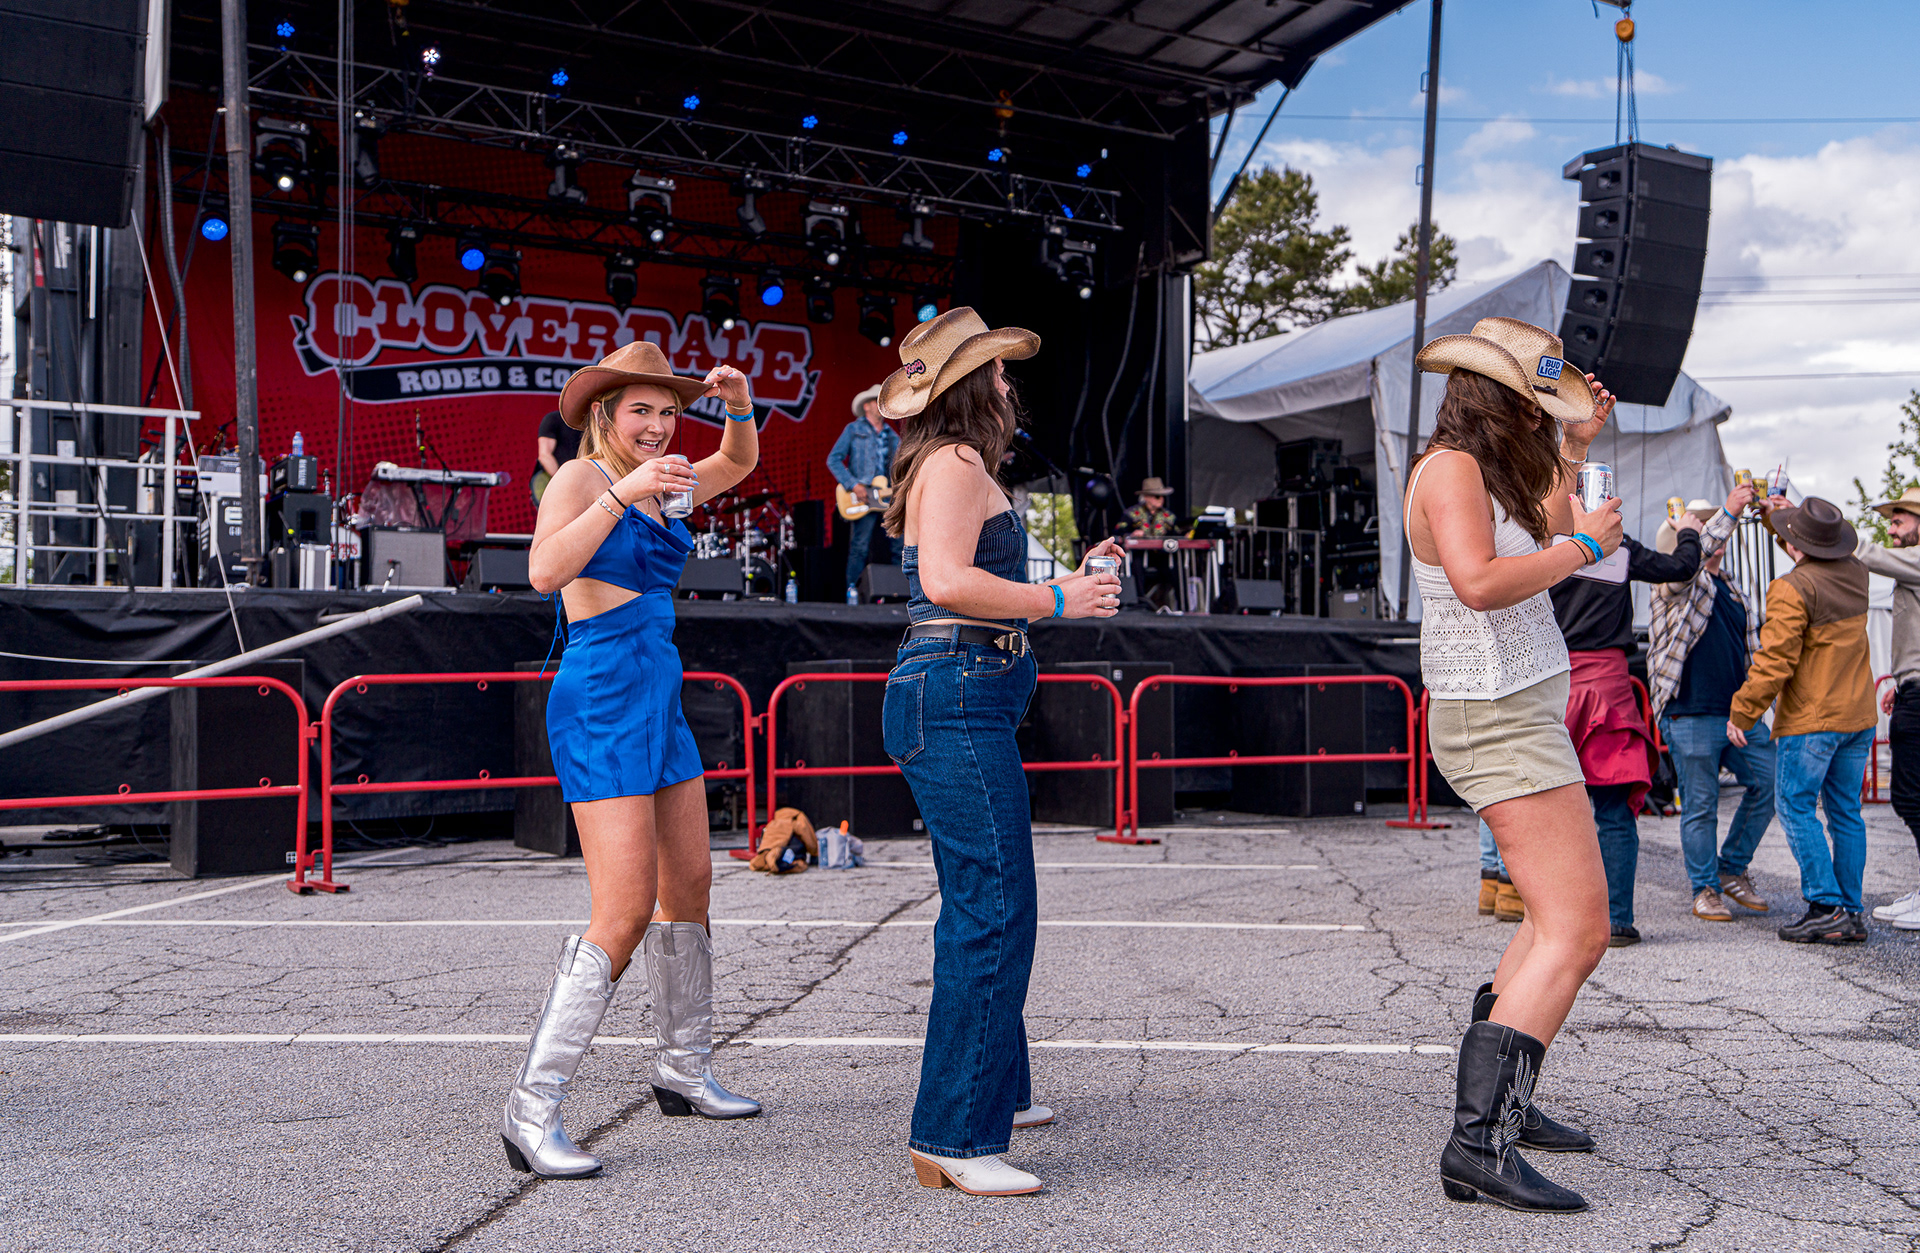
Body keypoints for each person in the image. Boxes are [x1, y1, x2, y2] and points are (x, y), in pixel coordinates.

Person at [875, 307, 1122, 1197]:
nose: (1011, 386)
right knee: (995, 908)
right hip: (957, 693)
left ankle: (997, 1093)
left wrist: (1067, 579)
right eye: (1000, 373)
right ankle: (953, 1134)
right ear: (976, 387)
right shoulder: (956, 459)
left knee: (983, 901)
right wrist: (1060, 599)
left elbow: (975, 576)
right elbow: (947, 583)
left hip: (955, 692)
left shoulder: (949, 465)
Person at [502, 341, 762, 1179]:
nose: (657, 425)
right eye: (640, 410)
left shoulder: (672, 475)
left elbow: (738, 460)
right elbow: (543, 571)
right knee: (621, 910)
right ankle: (530, 1112)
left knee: (690, 882)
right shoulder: (584, 479)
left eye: (667, 410)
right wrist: (623, 491)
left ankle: (684, 1070)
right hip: (602, 695)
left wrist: (740, 404)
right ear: (604, 415)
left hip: (659, 693)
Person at [1403, 317, 1621, 1214]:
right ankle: (1479, 1142)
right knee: (1579, 927)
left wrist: (1575, 446)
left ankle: (1504, 1113)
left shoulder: (1478, 466)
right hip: (1495, 716)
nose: (1544, 414)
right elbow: (1481, 580)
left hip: (1514, 707)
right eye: (1539, 402)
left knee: (1549, 917)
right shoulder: (1451, 468)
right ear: (1501, 397)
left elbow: (1554, 526)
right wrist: (1585, 549)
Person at [1546, 499, 1709, 947]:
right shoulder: (1621, 548)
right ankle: (1617, 918)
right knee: (1614, 812)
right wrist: (1689, 530)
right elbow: (1681, 566)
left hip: (1550, 686)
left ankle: (1553, 921)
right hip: (1609, 689)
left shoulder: (1546, 546)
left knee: (1550, 813)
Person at [1730, 496, 1875, 944]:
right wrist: (1783, 521)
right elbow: (1816, 548)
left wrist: (1744, 710)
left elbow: (1775, 661)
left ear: (1796, 546)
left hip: (1814, 720)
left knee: (1795, 806)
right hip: (1858, 716)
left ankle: (1825, 906)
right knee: (1846, 814)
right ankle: (1849, 909)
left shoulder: (1792, 588)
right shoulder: (1857, 575)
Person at [1648, 491, 1773, 925]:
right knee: (1701, 805)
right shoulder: (1675, 581)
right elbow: (1691, 563)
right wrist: (1732, 510)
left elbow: (1754, 654)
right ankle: (1705, 888)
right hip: (1690, 712)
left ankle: (1731, 868)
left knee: (1771, 781)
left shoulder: (1735, 589)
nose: (1709, 530)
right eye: (1698, 525)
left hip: (1738, 714)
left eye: (1711, 523)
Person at [1861, 486, 1920, 928]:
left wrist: (1818, 527)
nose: (1892, 529)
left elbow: (1871, 555)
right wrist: (1901, 684)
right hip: (1912, 689)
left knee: (1910, 796)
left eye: (1899, 521)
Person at [827, 383, 902, 591]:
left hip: (887, 496)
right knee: (859, 547)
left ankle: (898, 594)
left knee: (898, 545)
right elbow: (833, 459)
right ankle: (852, 593)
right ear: (868, 406)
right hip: (862, 494)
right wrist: (854, 485)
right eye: (878, 401)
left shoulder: (893, 435)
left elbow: (899, 468)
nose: (882, 406)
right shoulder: (854, 429)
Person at [531, 408, 582, 505]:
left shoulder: (590, 424)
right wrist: (563, 482)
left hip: (580, 483)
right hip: (556, 484)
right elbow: (545, 455)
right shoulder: (553, 419)